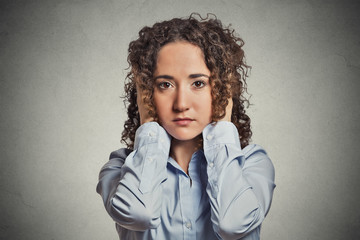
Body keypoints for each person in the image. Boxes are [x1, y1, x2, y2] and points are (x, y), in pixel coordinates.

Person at [96, 13, 275, 240]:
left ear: (222, 88)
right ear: (146, 93)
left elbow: (232, 225)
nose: (181, 104)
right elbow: (139, 213)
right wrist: (149, 124)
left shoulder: (253, 164)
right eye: (165, 84)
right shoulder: (119, 169)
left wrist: (221, 118)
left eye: (198, 83)